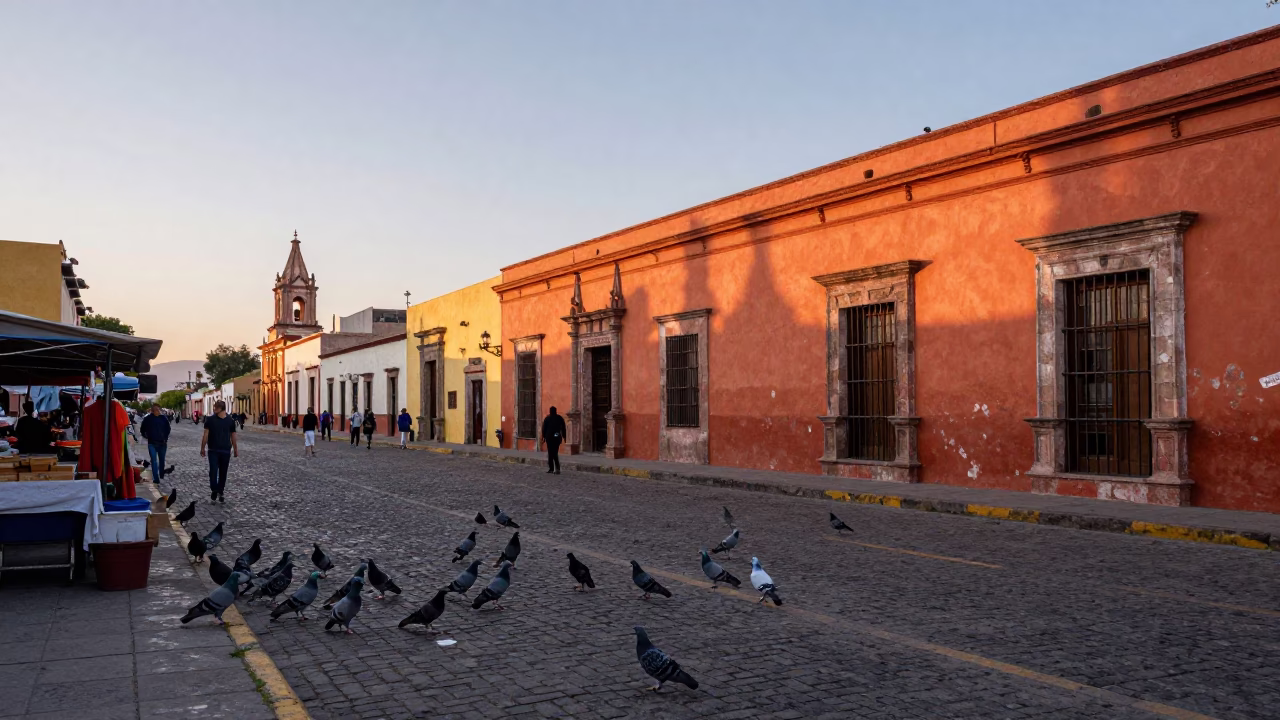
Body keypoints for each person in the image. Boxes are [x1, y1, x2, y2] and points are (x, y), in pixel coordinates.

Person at [200, 400, 238, 503]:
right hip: (213, 450)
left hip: (225, 450)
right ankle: (214, 489)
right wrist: (203, 447)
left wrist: (235, 449)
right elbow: (206, 434)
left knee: (223, 472)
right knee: (213, 471)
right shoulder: (210, 420)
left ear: (221, 409)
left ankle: (221, 491)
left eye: (215, 408)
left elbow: (233, 435)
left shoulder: (230, 421)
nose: (214, 409)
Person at [139, 403, 171, 483]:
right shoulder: (148, 419)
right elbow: (142, 429)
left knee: (162, 460)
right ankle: (156, 478)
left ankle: (161, 474)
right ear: (152, 411)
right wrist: (147, 436)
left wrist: (165, 438)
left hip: (162, 443)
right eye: (156, 410)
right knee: (153, 461)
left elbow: (168, 429)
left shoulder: (163, 418)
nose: (158, 411)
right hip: (152, 443)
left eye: (159, 409)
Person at [541, 406, 566, 475]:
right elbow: (563, 428)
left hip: (549, 438)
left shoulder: (547, 418)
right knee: (555, 453)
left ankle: (552, 468)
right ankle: (556, 468)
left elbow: (544, 429)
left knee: (551, 453)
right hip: (556, 437)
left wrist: (543, 437)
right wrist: (564, 436)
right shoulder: (559, 418)